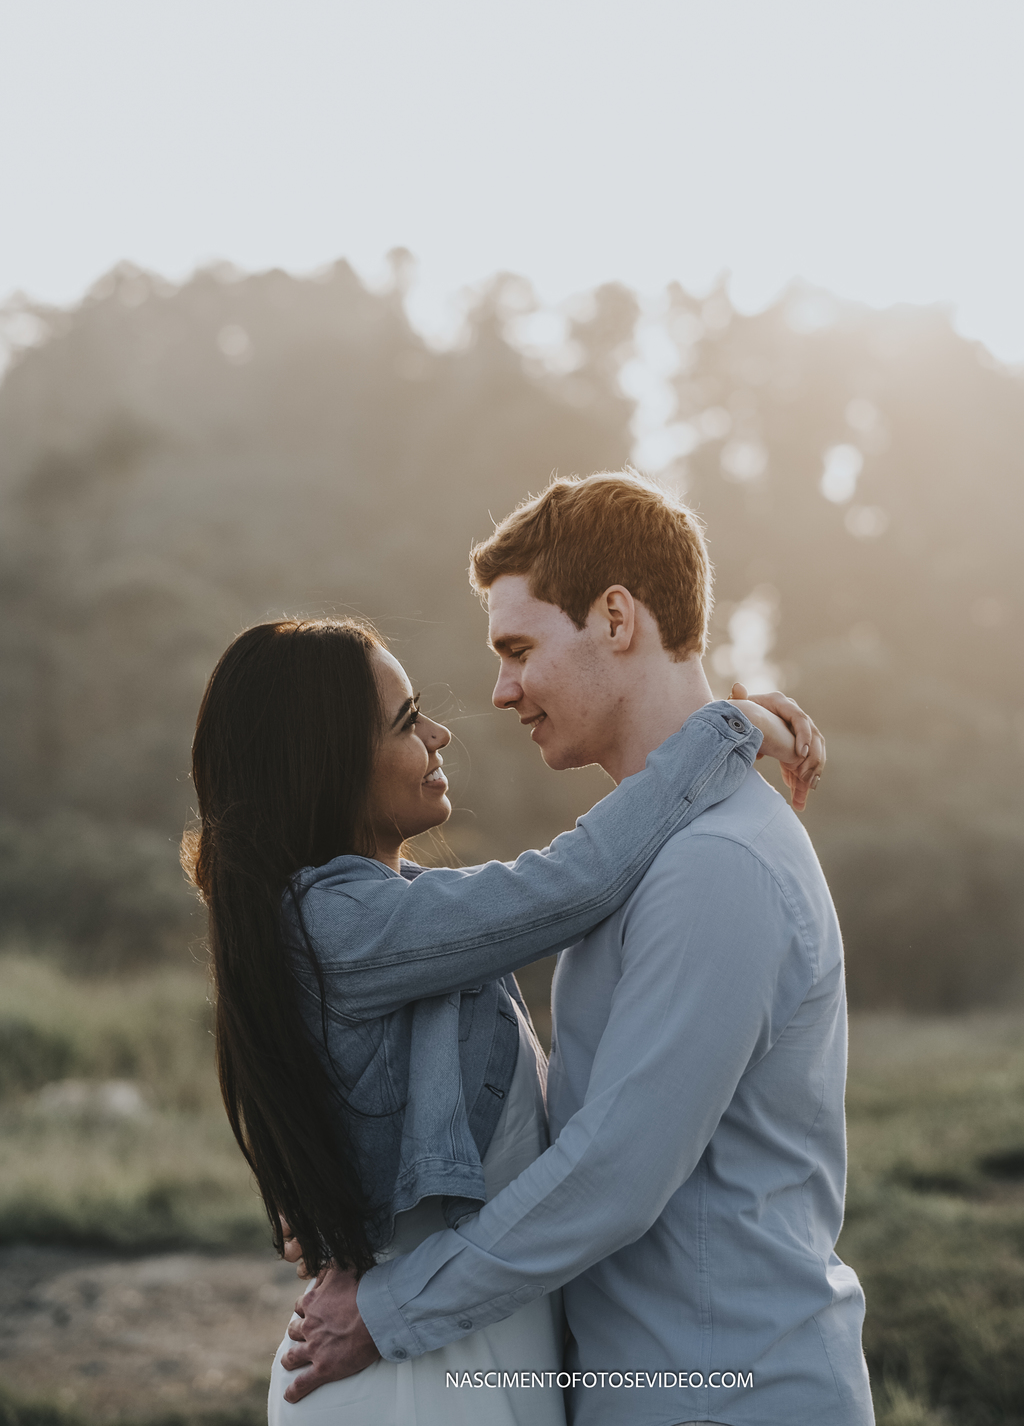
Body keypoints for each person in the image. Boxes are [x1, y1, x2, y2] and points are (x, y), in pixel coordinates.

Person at [285, 471, 873, 1426]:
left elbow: (613, 1175)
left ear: (616, 618)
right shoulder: (658, 856)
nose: (500, 690)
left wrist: (392, 1310)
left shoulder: (715, 864)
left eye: (519, 649)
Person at [184, 606, 815, 1424]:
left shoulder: (397, 921)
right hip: (408, 1382)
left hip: (464, 1353)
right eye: (408, 721)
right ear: (328, 762)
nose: (440, 734)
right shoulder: (337, 927)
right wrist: (727, 729)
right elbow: (575, 881)